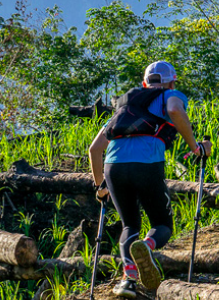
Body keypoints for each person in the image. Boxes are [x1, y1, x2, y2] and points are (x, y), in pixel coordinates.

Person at [88, 61, 211, 298]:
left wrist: (100, 186)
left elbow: (94, 149)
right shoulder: (170, 95)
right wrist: (196, 148)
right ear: (171, 82)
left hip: (113, 167)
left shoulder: (124, 106)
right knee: (162, 225)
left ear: (144, 84)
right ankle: (146, 246)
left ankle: (128, 281)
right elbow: (174, 110)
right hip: (146, 164)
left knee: (129, 225)